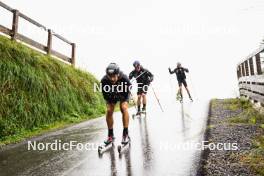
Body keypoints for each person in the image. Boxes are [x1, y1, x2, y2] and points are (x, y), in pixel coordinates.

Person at [101, 63, 131, 145]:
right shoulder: (104, 81)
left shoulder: (124, 79)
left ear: (118, 74)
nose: (112, 79)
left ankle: (125, 134)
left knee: (123, 108)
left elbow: (128, 91)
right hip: (111, 94)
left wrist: (120, 93)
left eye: (114, 76)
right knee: (109, 110)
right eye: (110, 76)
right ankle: (110, 135)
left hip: (123, 93)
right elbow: (106, 96)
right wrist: (112, 92)